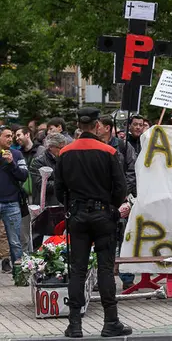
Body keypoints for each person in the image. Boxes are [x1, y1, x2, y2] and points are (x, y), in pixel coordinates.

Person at [55, 108, 131, 338]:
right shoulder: (108, 151)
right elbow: (121, 188)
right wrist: (112, 206)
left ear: (78, 125)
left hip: (77, 216)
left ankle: (75, 324)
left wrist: (73, 204)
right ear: (98, 125)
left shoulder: (65, 153)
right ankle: (110, 321)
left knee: (77, 270)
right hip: (103, 214)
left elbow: (59, 190)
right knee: (105, 269)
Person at [97, 115, 138, 290]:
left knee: (124, 238)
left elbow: (132, 170)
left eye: (98, 126)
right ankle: (102, 278)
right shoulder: (95, 146)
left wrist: (122, 192)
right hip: (99, 200)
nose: (95, 128)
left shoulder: (123, 146)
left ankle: (127, 278)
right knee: (101, 240)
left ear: (107, 127)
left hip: (120, 201)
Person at [0, 126, 28, 279]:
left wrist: (12, 163)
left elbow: (24, 175)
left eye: (11, 136)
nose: (10, 139)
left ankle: (20, 276)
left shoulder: (17, 154)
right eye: (7, 136)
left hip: (11, 204)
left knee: (15, 241)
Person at [29, 133, 67, 207]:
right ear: (50, 147)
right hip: (47, 204)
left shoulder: (65, 159)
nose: (63, 150)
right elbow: (40, 184)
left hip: (62, 203)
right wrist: (62, 183)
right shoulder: (38, 161)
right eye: (61, 148)